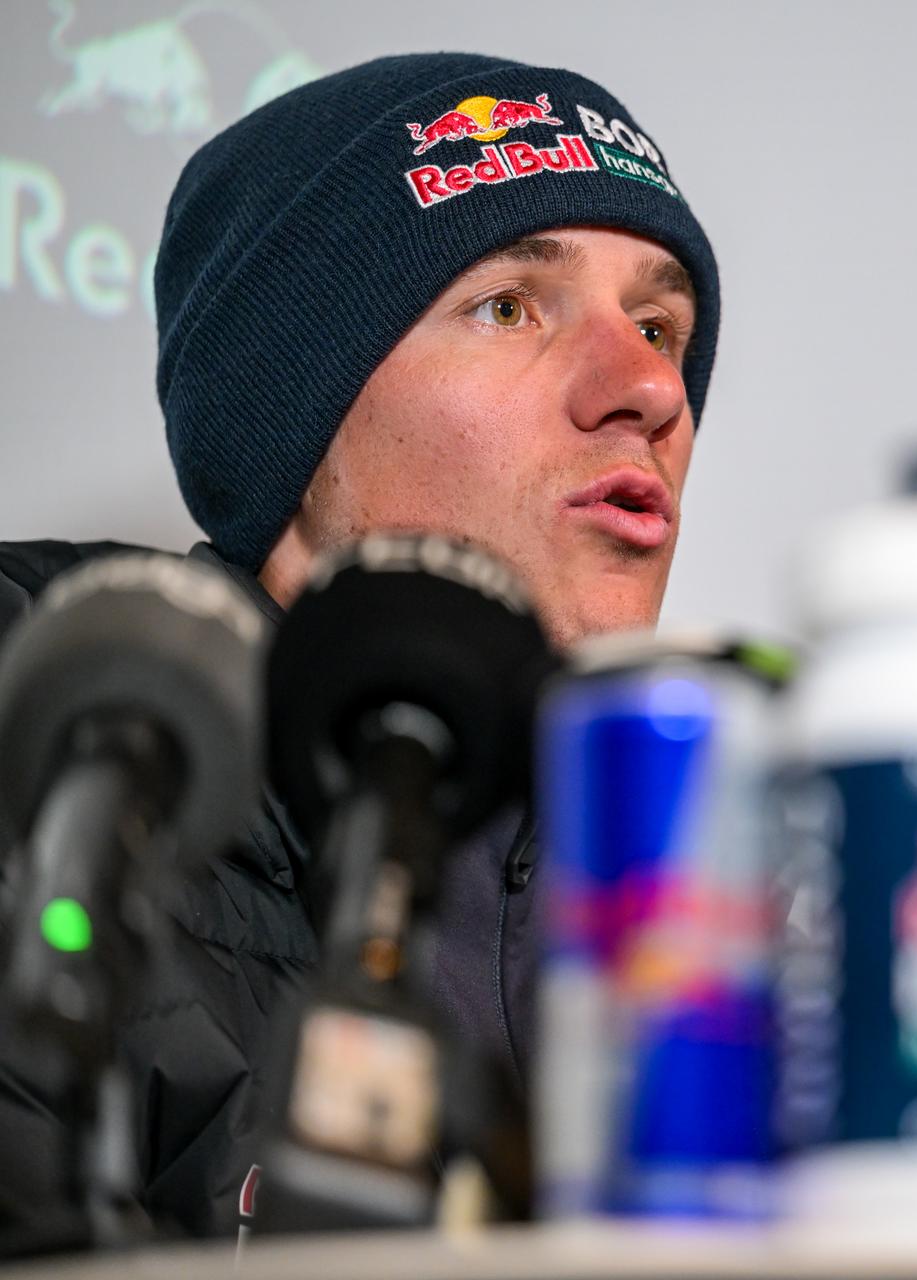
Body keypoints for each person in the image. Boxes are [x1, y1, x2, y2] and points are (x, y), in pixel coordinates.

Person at [0, 51, 720, 1240]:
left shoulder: (716, 857)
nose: (647, 383)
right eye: (510, 306)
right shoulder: (35, 694)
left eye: (659, 323)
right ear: (295, 407)